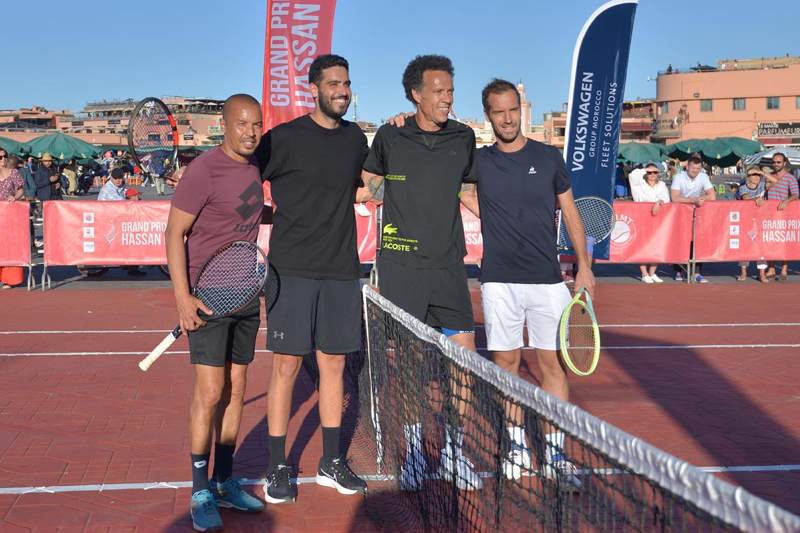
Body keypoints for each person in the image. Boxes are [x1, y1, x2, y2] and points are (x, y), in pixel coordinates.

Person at [357, 54, 482, 492]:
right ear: (416, 94)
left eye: (450, 90)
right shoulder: (391, 136)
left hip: (449, 265)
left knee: (463, 359)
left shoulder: (464, 137)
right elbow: (367, 185)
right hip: (401, 266)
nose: (447, 98)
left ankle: (455, 450)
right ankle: (412, 453)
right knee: (408, 364)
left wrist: (512, 226)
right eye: (439, 91)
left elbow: (468, 191)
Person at [256, 54, 368, 504]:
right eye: (334, 83)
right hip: (291, 270)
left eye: (346, 83)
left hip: (341, 270)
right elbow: (244, 183)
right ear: (314, 88)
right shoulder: (281, 139)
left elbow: (364, 184)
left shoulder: (356, 137)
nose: (342, 90)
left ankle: (330, 462)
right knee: (285, 367)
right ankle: (277, 465)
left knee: (334, 366)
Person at [472, 79, 594, 489]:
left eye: (512, 111)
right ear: (487, 115)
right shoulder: (478, 160)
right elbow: (448, 182)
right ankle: (518, 447)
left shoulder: (548, 156)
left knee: (552, 368)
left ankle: (555, 454)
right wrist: (488, 212)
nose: (506, 119)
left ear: (520, 109)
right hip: (499, 281)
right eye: (498, 112)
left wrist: (585, 266)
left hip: (546, 280)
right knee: (506, 365)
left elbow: (570, 212)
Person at [166, 94, 266, 531]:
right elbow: (174, 234)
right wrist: (183, 299)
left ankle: (225, 481)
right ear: (223, 125)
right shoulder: (203, 170)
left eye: (256, 124)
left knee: (237, 389)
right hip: (207, 295)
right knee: (209, 392)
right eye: (242, 124)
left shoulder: (258, 164)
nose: (250, 132)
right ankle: (199, 488)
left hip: (246, 295)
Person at [670, 156, 715, 282]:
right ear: (687, 167)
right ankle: (678, 271)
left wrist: (701, 199)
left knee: (697, 240)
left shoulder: (703, 176)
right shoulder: (679, 177)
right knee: (679, 240)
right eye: (693, 168)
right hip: (679, 212)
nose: (695, 170)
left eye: (698, 168)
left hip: (696, 212)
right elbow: (675, 197)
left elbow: (712, 195)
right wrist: (694, 200)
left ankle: (695, 273)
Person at [630, 163, 670, 283]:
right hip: (642, 216)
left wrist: (658, 202)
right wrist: (646, 169)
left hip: (657, 217)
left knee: (657, 244)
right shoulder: (638, 184)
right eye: (649, 172)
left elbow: (666, 198)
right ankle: (644, 273)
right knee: (642, 245)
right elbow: (632, 175)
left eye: (655, 172)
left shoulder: (662, 185)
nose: (652, 175)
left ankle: (652, 272)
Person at [763, 152, 799, 281]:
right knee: (770, 242)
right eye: (774, 162)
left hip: (784, 215)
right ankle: (771, 268)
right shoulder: (769, 177)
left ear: (784, 163)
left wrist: (786, 201)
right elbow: (762, 192)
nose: (776, 164)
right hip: (769, 215)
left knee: (784, 243)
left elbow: (795, 194)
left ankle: (784, 269)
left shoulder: (790, 178)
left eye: (778, 162)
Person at [735, 165, 768, 283]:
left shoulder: (762, 186)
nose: (756, 177)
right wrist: (755, 200)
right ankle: (743, 272)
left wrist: (761, 172)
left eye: (758, 175)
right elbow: (745, 199)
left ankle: (762, 274)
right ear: (748, 176)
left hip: (760, 219)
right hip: (746, 219)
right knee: (745, 246)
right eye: (754, 174)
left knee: (761, 247)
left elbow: (776, 181)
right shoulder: (743, 187)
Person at [0, 148, 25, 289]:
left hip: (8, 214)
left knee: (8, 246)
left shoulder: (13, 173)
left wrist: (14, 197)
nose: (3, 159)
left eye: (5, 156)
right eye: (0, 157)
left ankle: (8, 279)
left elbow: (21, 189)